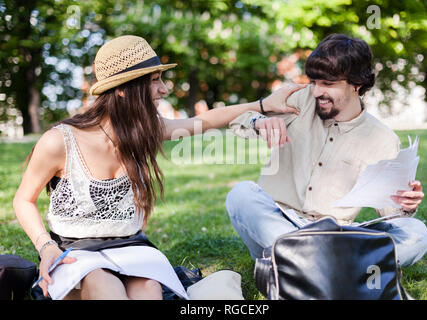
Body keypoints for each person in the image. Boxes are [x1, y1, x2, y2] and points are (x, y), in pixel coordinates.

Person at [13, 35, 303, 300]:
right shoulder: (59, 141)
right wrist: (44, 245)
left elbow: (210, 120)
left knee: (150, 291)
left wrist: (264, 105)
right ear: (124, 90)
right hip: (75, 251)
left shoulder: (145, 131)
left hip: (130, 247)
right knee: (106, 288)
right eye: (154, 80)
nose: (163, 90)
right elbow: (23, 199)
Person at [226, 34, 427, 267]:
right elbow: (237, 119)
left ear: (357, 84)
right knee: (241, 194)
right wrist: (258, 121)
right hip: (277, 224)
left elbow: (389, 210)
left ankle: (304, 266)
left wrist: (406, 204)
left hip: (335, 235)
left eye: (328, 84)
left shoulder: (383, 139)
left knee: (416, 232)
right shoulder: (298, 100)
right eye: (314, 81)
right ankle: (327, 266)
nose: (316, 91)